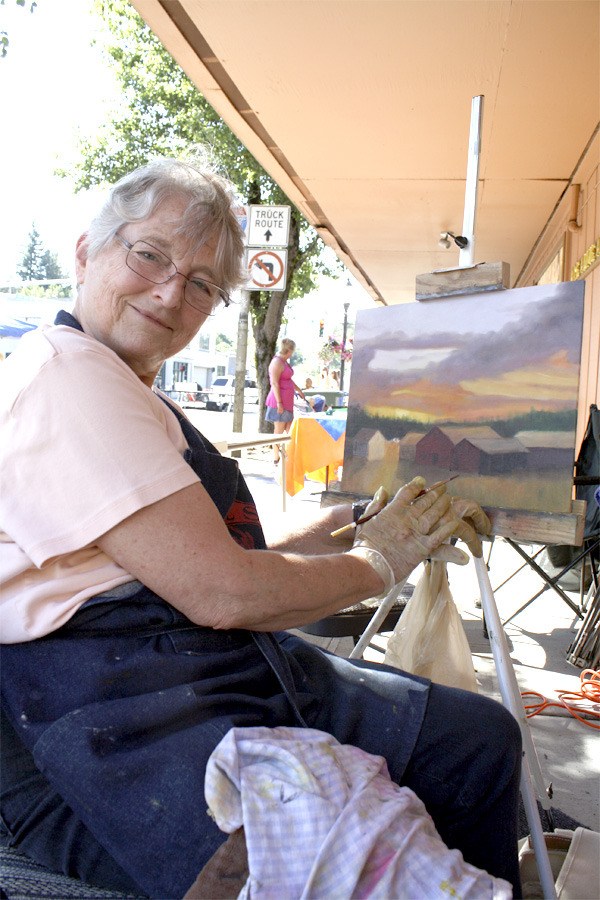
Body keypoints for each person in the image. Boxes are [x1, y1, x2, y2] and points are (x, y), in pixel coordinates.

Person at [0, 154, 522, 899]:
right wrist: (382, 557)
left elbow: (203, 561)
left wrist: (352, 525)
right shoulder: (66, 373)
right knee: (466, 753)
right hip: (112, 729)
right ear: (87, 252)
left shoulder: (122, 385)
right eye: (149, 254)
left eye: (202, 283)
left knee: (474, 742)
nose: (170, 291)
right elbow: (221, 591)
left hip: (185, 676)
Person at [264, 337, 306, 465]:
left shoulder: (284, 362)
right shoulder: (276, 362)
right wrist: (279, 403)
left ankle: (288, 457)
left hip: (288, 401)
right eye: (292, 352)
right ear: (289, 351)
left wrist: (298, 390)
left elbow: (288, 379)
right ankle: (276, 457)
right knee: (279, 430)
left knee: (289, 429)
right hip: (279, 401)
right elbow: (275, 384)